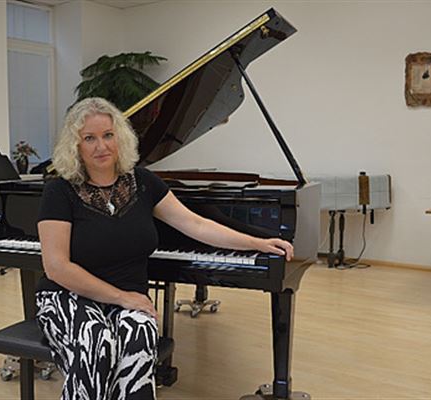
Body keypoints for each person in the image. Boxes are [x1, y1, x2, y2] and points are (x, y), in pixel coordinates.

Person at [36, 97, 294, 400]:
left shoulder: (144, 183)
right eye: (89, 138)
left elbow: (196, 225)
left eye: (108, 135)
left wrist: (256, 242)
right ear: (75, 145)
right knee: (96, 342)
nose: (101, 146)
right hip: (68, 297)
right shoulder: (59, 191)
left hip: (129, 297)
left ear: (120, 137)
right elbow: (57, 267)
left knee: (138, 339)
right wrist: (121, 297)